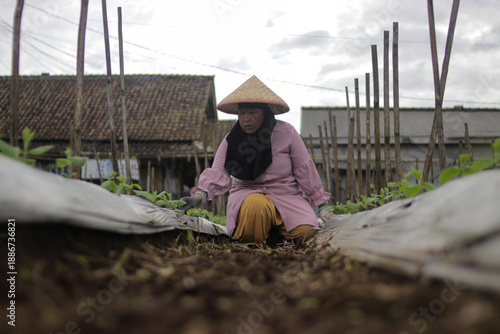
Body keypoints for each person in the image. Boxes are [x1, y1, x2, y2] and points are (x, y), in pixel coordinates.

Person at [180, 75, 334, 244]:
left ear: (265, 113)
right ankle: (262, 238)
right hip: (248, 195)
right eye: (242, 113)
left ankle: (273, 234)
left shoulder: (286, 132)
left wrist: (323, 205)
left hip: (287, 196)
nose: (246, 118)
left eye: (252, 113)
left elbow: (304, 169)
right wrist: (199, 197)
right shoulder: (232, 140)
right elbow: (217, 173)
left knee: (305, 232)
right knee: (256, 205)